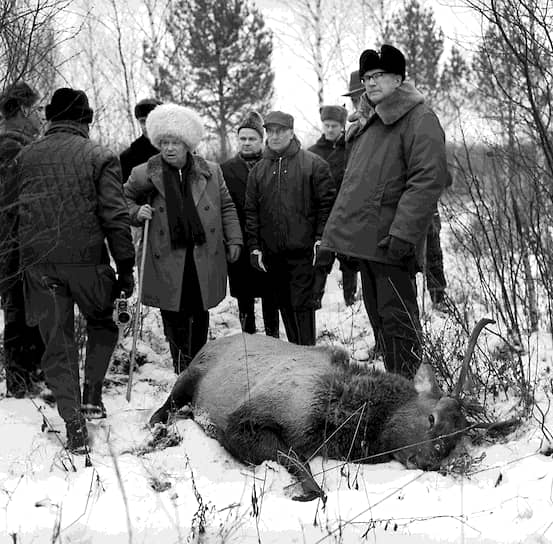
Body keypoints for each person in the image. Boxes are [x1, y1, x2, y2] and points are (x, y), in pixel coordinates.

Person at [11, 87, 136, 452]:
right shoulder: (100, 156)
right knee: (104, 320)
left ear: (50, 117)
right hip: (87, 263)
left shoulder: (25, 156)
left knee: (58, 343)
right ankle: (92, 394)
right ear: (87, 119)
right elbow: (115, 215)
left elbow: (13, 213)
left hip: (39, 265)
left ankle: (73, 423)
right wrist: (125, 266)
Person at [320, 45, 449, 378]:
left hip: (391, 244)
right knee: (380, 320)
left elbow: (427, 180)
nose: (371, 83)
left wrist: (403, 233)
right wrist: (343, 242)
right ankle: (395, 389)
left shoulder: (419, 119)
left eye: (378, 76)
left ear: (398, 78)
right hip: (367, 245)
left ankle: (409, 396)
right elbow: (354, 188)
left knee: (399, 324)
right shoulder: (370, 124)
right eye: (366, 78)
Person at [124, 103, 243, 373]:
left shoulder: (210, 170)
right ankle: (181, 367)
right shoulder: (145, 172)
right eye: (164, 142)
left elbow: (226, 206)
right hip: (166, 254)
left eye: (175, 142)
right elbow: (124, 198)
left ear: (187, 143)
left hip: (201, 252)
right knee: (173, 310)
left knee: (199, 309)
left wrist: (234, 239)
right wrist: (135, 212)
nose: (169, 148)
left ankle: (197, 363)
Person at [244, 110, 335, 346]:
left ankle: (307, 355)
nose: (274, 136)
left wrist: (320, 240)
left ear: (291, 132)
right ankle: (296, 354)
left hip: (304, 253)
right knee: (284, 304)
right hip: (274, 255)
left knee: (303, 307)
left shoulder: (313, 164)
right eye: (270, 131)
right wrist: (254, 247)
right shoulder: (259, 171)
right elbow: (251, 212)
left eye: (280, 131)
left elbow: (327, 206)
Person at [0, 82, 45, 398]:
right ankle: (19, 379)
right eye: (38, 109)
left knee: (25, 307)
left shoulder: (19, 145)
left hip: (18, 241)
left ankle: (28, 373)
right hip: (15, 244)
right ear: (25, 109)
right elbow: (15, 203)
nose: (41, 116)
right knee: (18, 308)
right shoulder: (12, 148)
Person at [221, 111, 280, 337]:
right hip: (240, 242)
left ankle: (272, 337)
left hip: (267, 243)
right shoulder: (225, 169)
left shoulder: (273, 165)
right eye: (242, 138)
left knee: (270, 294)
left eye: (252, 138)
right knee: (244, 296)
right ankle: (248, 338)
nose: (246, 143)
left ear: (261, 140)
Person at [308, 105, 360, 307]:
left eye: (334, 126)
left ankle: (351, 303)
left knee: (349, 262)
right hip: (323, 217)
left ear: (342, 126)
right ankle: (314, 301)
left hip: (347, 214)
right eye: (326, 125)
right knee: (321, 259)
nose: (330, 130)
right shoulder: (312, 153)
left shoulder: (352, 149)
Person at [119, 98, 161, 182]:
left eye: (151, 120)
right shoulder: (128, 157)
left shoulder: (175, 149)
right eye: (143, 121)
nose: (147, 126)